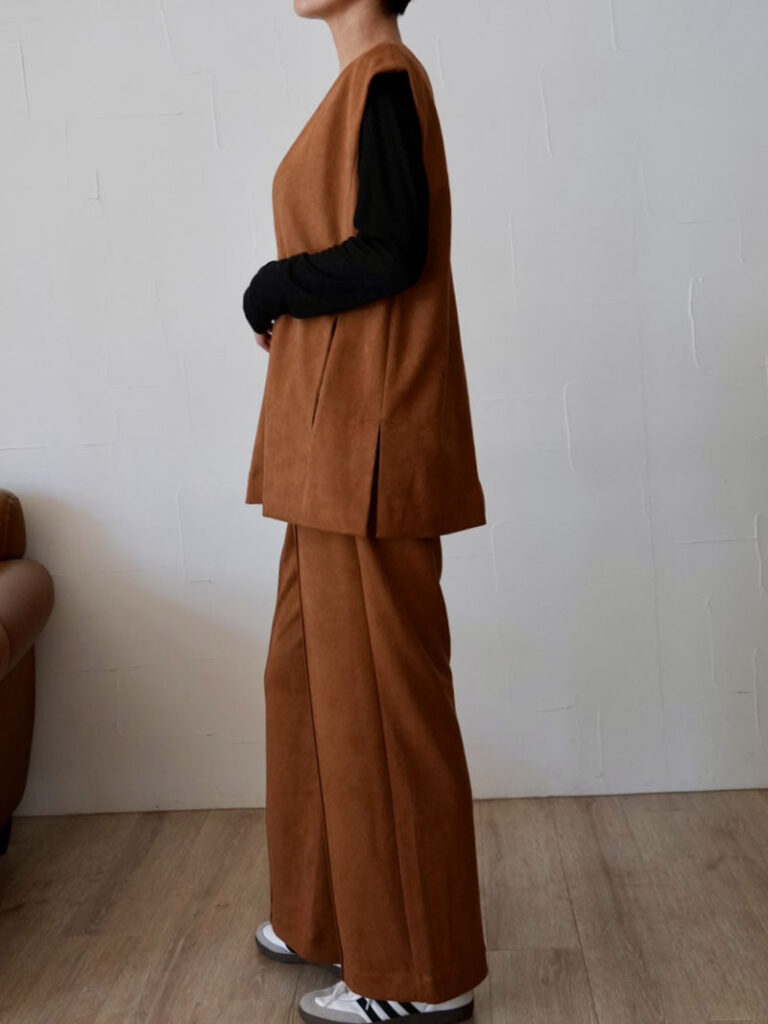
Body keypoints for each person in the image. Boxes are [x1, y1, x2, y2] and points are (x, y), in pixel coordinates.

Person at [241, 2, 488, 1021]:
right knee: (307, 683)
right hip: (330, 443)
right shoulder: (359, 84)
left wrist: (275, 283)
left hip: (370, 444)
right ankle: (325, 914)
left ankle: (421, 973)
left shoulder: (386, 76)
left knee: (385, 706)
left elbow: (393, 250)